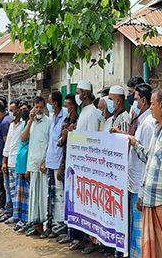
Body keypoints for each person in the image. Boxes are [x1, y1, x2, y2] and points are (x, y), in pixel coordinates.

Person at [133, 86, 162, 258]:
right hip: (150, 198)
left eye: (152, 104)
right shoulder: (156, 127)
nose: (150, 107)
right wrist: (134, 143)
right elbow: (149, 159)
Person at [124, 83, 156, 258]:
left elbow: (149, 158)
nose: (133, 102)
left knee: (140, 233)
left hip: (140, 187)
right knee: (135, 234)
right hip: (134, 184)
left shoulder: (148, 124)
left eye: (135, 99)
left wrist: (142, 191)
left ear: (143, 101)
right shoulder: (141, 121)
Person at [72, 81, 101, 254]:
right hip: (79, 165)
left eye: (78, 92)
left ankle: (91, 240)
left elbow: (92, 139)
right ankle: (83, 237)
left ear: (85, 94)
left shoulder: (92, 113)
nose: (77, 95)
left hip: (88, 165)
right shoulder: (84, 111)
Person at [21, 96, 50, 236]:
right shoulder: (30, 122)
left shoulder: (49, 122)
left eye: (40, 107)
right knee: (35, 197)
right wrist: (30, 121)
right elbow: (24, 139)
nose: (38, 109)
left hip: (43, 167)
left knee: (44, 197)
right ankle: (37, 226)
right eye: (36, 107)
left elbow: (50, 144)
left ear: (44, 107)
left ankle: (46, 227)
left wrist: (46, 162)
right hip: (32, 166)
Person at [56, 94, 79, 244]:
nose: (65, 108)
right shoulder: (66, 121)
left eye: (67, 105)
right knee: (66, 200)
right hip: (65, 162)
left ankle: (74, 235)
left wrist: (71, 133)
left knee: (74, 201)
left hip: (76, 166)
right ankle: (68, 232)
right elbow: (60, 142)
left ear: (73, 106)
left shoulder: (78, 120)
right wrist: (65, 135)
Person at [43, 91, 67, 239]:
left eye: (50, 102)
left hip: (59, 163)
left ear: (55, 104)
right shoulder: (53, 118)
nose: (49, 105)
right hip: (51, 161)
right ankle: (51, 225)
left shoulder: (64, 118)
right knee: (50, 196)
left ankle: (60, 228)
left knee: (60, 197)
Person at [1, 101, 26, 224]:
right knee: (10, 190)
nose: (11, 112)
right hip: (9, 161)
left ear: (18, 111)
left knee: (18, 192)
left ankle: (19, 216)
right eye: (10, 110)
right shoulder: (11, 125)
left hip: (18, 162)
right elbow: (8, 144)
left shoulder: (24, 124)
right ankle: (12, 213)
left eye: (13, 110)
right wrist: (4, 161)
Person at [13, 102, 31, 232]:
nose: (23, 111)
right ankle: (21, 219)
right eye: (22, 109)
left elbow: (24, 139)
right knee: (20, 195)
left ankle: (26, 220)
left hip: (27, 165)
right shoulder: (24, 124)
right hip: (20, 163)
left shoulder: (30, 124)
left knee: (27, 196)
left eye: (25, 109)